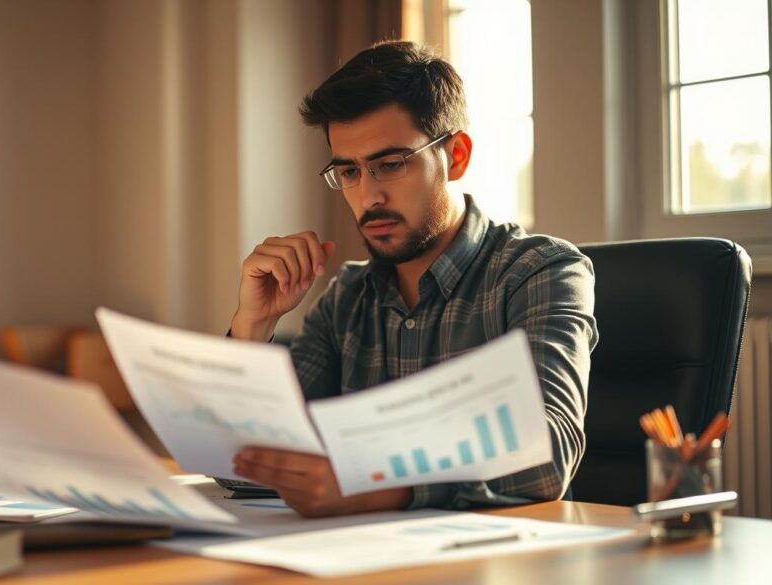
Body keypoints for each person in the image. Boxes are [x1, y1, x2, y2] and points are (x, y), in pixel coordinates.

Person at [228, 40, 599, 517]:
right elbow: (242, 466)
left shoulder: (539, 273)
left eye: (391, 164)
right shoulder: (347, 296)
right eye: (348, 171)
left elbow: (548, 453)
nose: (369, 195)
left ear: (457, 156)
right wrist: (252, 327)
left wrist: (385, 486)